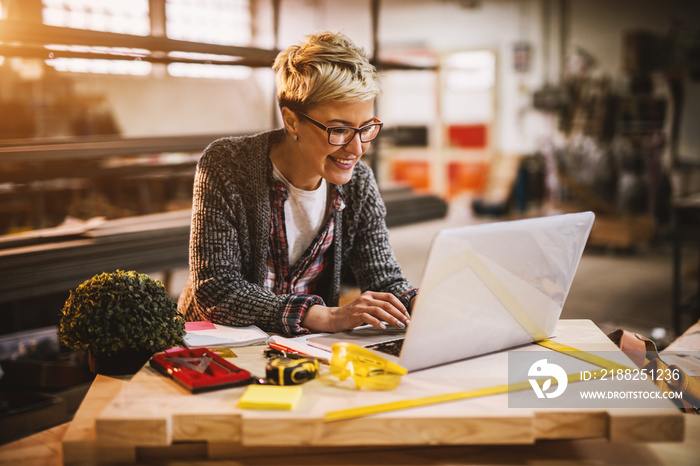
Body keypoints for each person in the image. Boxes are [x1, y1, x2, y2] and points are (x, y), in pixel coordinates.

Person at [178, 31, 415, 336]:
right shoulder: (228, 165)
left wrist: (417, 301)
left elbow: (383, 278)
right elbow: (216, 291)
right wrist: (328, 317)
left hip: (300, 347)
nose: (356, 149)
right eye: (340, 130)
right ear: (291, 121)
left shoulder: (359, 183)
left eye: (366, 128)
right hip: (212, 347)